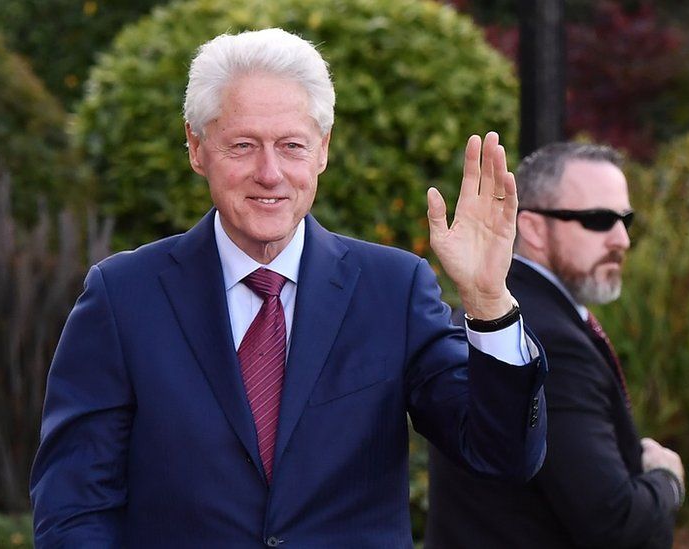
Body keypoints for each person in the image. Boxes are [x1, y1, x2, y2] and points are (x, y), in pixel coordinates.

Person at [30, 28, 547, 547]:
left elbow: (500, 456)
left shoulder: (394, 289)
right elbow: (75, 506)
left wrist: (487, 304)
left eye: (291, 146)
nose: (270, 173)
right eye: (243, 146)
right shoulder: (123, 297)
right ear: (196, 147)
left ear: (322, 150)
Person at [426, 142, 685, 548]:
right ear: (532, 229)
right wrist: (667, 480)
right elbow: (612, 523)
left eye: (625, 220)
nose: (621, 240)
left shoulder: (514, 315)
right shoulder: (543, 339)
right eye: (598, 220)